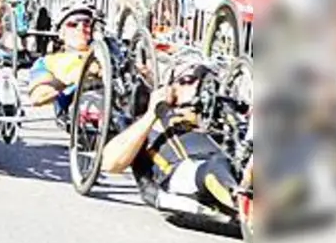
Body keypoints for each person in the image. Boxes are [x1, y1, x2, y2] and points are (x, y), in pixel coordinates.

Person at [99, 58, 241, 213]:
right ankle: (242, 203)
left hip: (230, 165)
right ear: (170, 88)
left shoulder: (219, 118)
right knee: (215, 166)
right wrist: (152, 113)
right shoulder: (153, 123)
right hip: (185, 172)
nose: (198, 87)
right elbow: (109, 163)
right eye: (188, 80)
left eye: (205, 80)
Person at [26, 4, 99, 119]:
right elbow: (38, 95)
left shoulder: (105, 55)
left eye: (87, 24)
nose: (81, 28)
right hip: (79, 104)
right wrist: (74, 80)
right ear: (61, 33)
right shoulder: (49, 61)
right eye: (73, 24)